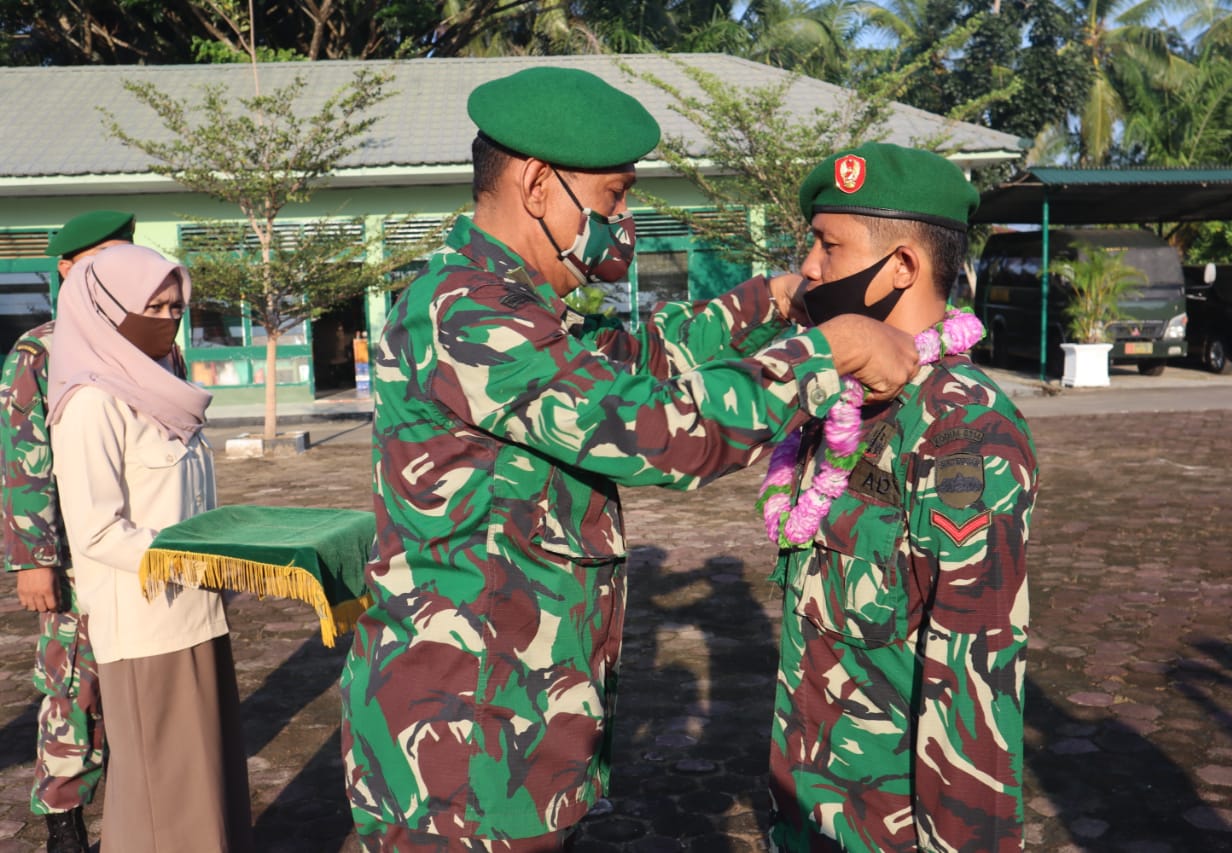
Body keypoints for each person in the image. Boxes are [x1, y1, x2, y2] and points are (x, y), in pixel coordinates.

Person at [340, 66, 921, 851]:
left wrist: (769, 301)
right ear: (540, 184)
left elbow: (637, 357)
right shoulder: (467, 312)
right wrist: (830, 353)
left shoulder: (515, 302)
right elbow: (661, 429)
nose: (626, 219)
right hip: (457, 759)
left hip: (508, 738)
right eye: (615, 196)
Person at [759, 143, 1039, 852]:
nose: (810, 267)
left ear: (903, 268)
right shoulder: (846, 400)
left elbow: (975, 690)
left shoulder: (964, 432)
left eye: (828, 245)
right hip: (806, 808)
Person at [46, 244, 254, 853]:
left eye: (175, 305)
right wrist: (195, 559)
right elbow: (97, 531)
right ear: (105, 311)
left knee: (205, 787)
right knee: (164, 800)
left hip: (198, 614)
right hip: (145, 627)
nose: (168, 318)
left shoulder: (163, 390)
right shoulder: (91, 403)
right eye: (152, 306)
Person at [1, 209, 134, 853]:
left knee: (142, 677)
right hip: (76, 554)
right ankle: (64, 819)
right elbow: (24, 461)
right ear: (66, 268)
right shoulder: (42, 349)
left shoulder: (156, 338)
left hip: (146, 547)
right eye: (99, 259)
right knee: (74, 681)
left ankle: (144, 808)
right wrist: (34, 557)